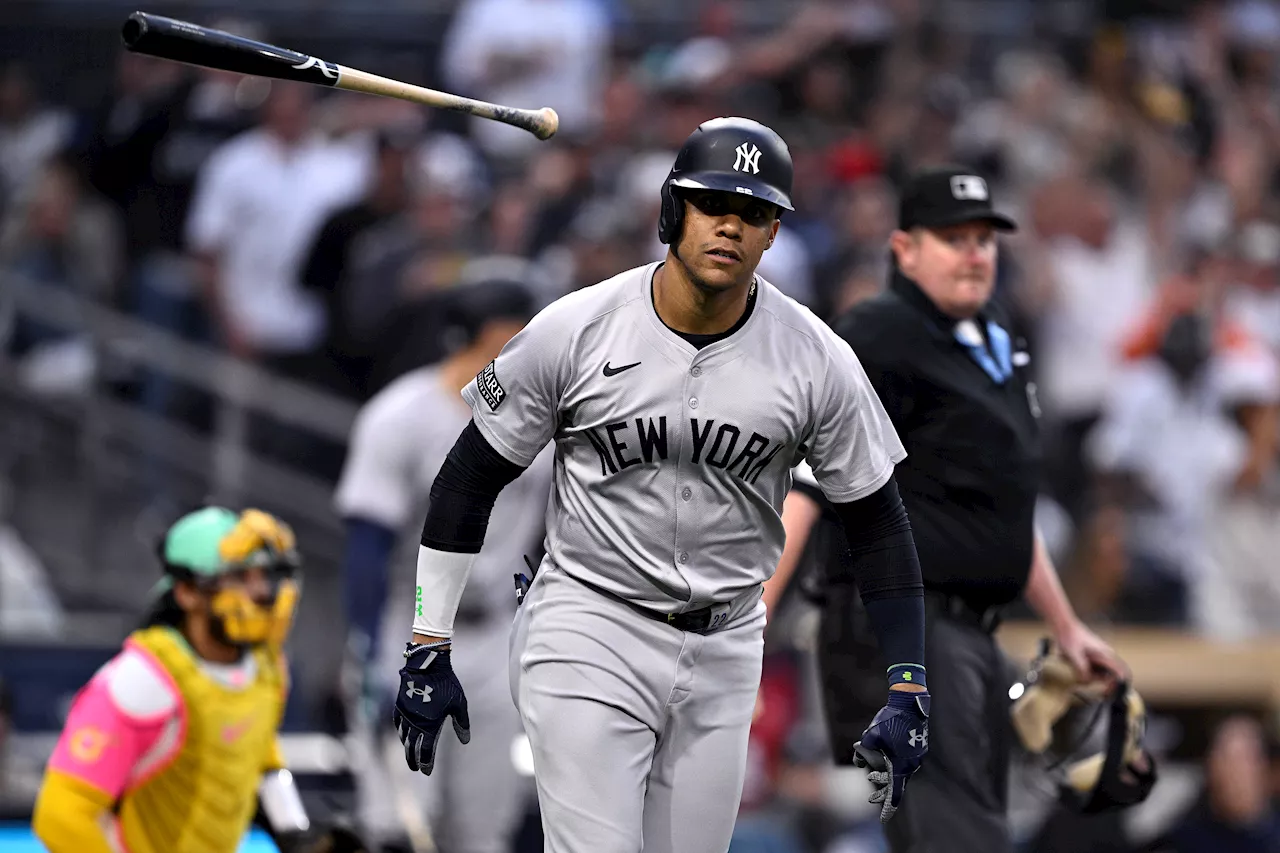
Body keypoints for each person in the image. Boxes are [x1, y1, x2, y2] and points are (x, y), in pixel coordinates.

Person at [391, 116, 932, 853]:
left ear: (774, 232)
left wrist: (908, 680)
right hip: (588, 622)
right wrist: (429, 638)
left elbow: (877, 520)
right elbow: (466, 478)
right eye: (714, 205)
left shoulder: (816, 358)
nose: (730, 227)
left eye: (753, 213)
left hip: (728, 640)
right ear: (673, 211)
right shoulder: (576, 327)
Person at [764, 165, 1127, 853]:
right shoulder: (878, 332)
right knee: (961, 837)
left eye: (985, 239)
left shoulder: (996, 341)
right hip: (905, 627)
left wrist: (1067, 625)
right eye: (953, 237)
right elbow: (811, 477)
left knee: (972, 826)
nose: (974, 253)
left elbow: (1006, 508)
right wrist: (754, 613)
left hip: (970, 629)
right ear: (904, 249)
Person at [334, 272, 552, 852]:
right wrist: (371, 654)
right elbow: (366, 546)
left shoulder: (540, 421)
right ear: (479, 338)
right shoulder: (401, 416)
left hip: (495, 633)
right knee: (401, 825)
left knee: (484, 832)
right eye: (517, 330)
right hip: (412, 626)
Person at [31, 507, 365, 853]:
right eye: (239, 577)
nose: (261, 591)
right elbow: (60, 814)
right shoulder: (143, 679)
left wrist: (295, 834)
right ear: (188, 592)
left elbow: (255, 755)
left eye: (264, 575)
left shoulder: (267, 665)